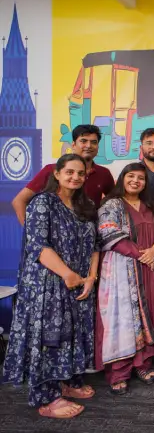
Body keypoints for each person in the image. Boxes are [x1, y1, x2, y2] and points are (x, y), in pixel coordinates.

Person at [2, 154, 99, 418]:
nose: (75, 177)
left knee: (73, 334)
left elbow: (96, 245)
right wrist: (67, 274)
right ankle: (47, 398)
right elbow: (37, 246)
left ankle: (66, 382)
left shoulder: (86, 205)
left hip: (79, 282)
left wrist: (91, 277)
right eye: (69, 172)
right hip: (48, 282)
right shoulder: (42, 202)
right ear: (56, 174)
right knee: (50, 338)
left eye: (80, 173)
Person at [96, 163, 154, 395]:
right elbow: (108, 233)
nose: (135, 181)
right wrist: (142, 255)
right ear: (122, 178)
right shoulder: (112, 204)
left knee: (146, 314)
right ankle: (119, 372)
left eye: (141, 178)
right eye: (131, 176)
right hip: (121, 271)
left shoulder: (149, 205)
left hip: (148, 270)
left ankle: (143, 363)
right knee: (122, 319)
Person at [12, 124, 115, 225]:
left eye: (93, 142)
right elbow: (19, 201)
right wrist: (30, 230)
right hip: (56, 233)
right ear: (73, 145)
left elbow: (116, 203)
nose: (88, 146)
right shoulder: (51, 170)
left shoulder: (104, 173)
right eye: (83, 141)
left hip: (90, 233)